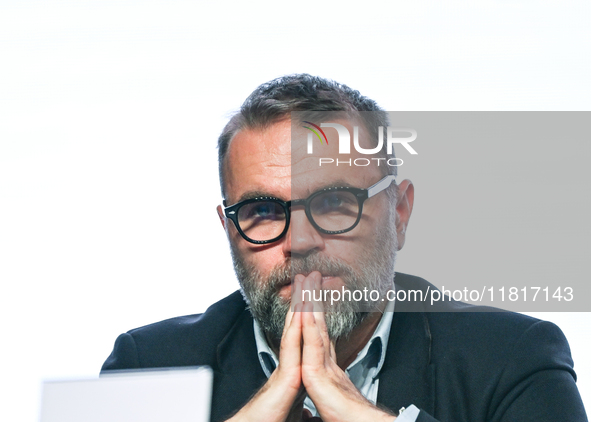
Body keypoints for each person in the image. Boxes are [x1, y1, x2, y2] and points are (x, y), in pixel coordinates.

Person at [101, 74, 587, 422]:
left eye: (334, 203)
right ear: (230, 230)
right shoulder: (147, 367)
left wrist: (357, 412)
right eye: (264, 212)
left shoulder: (511, 359)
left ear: (398, 214)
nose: (300, 242)